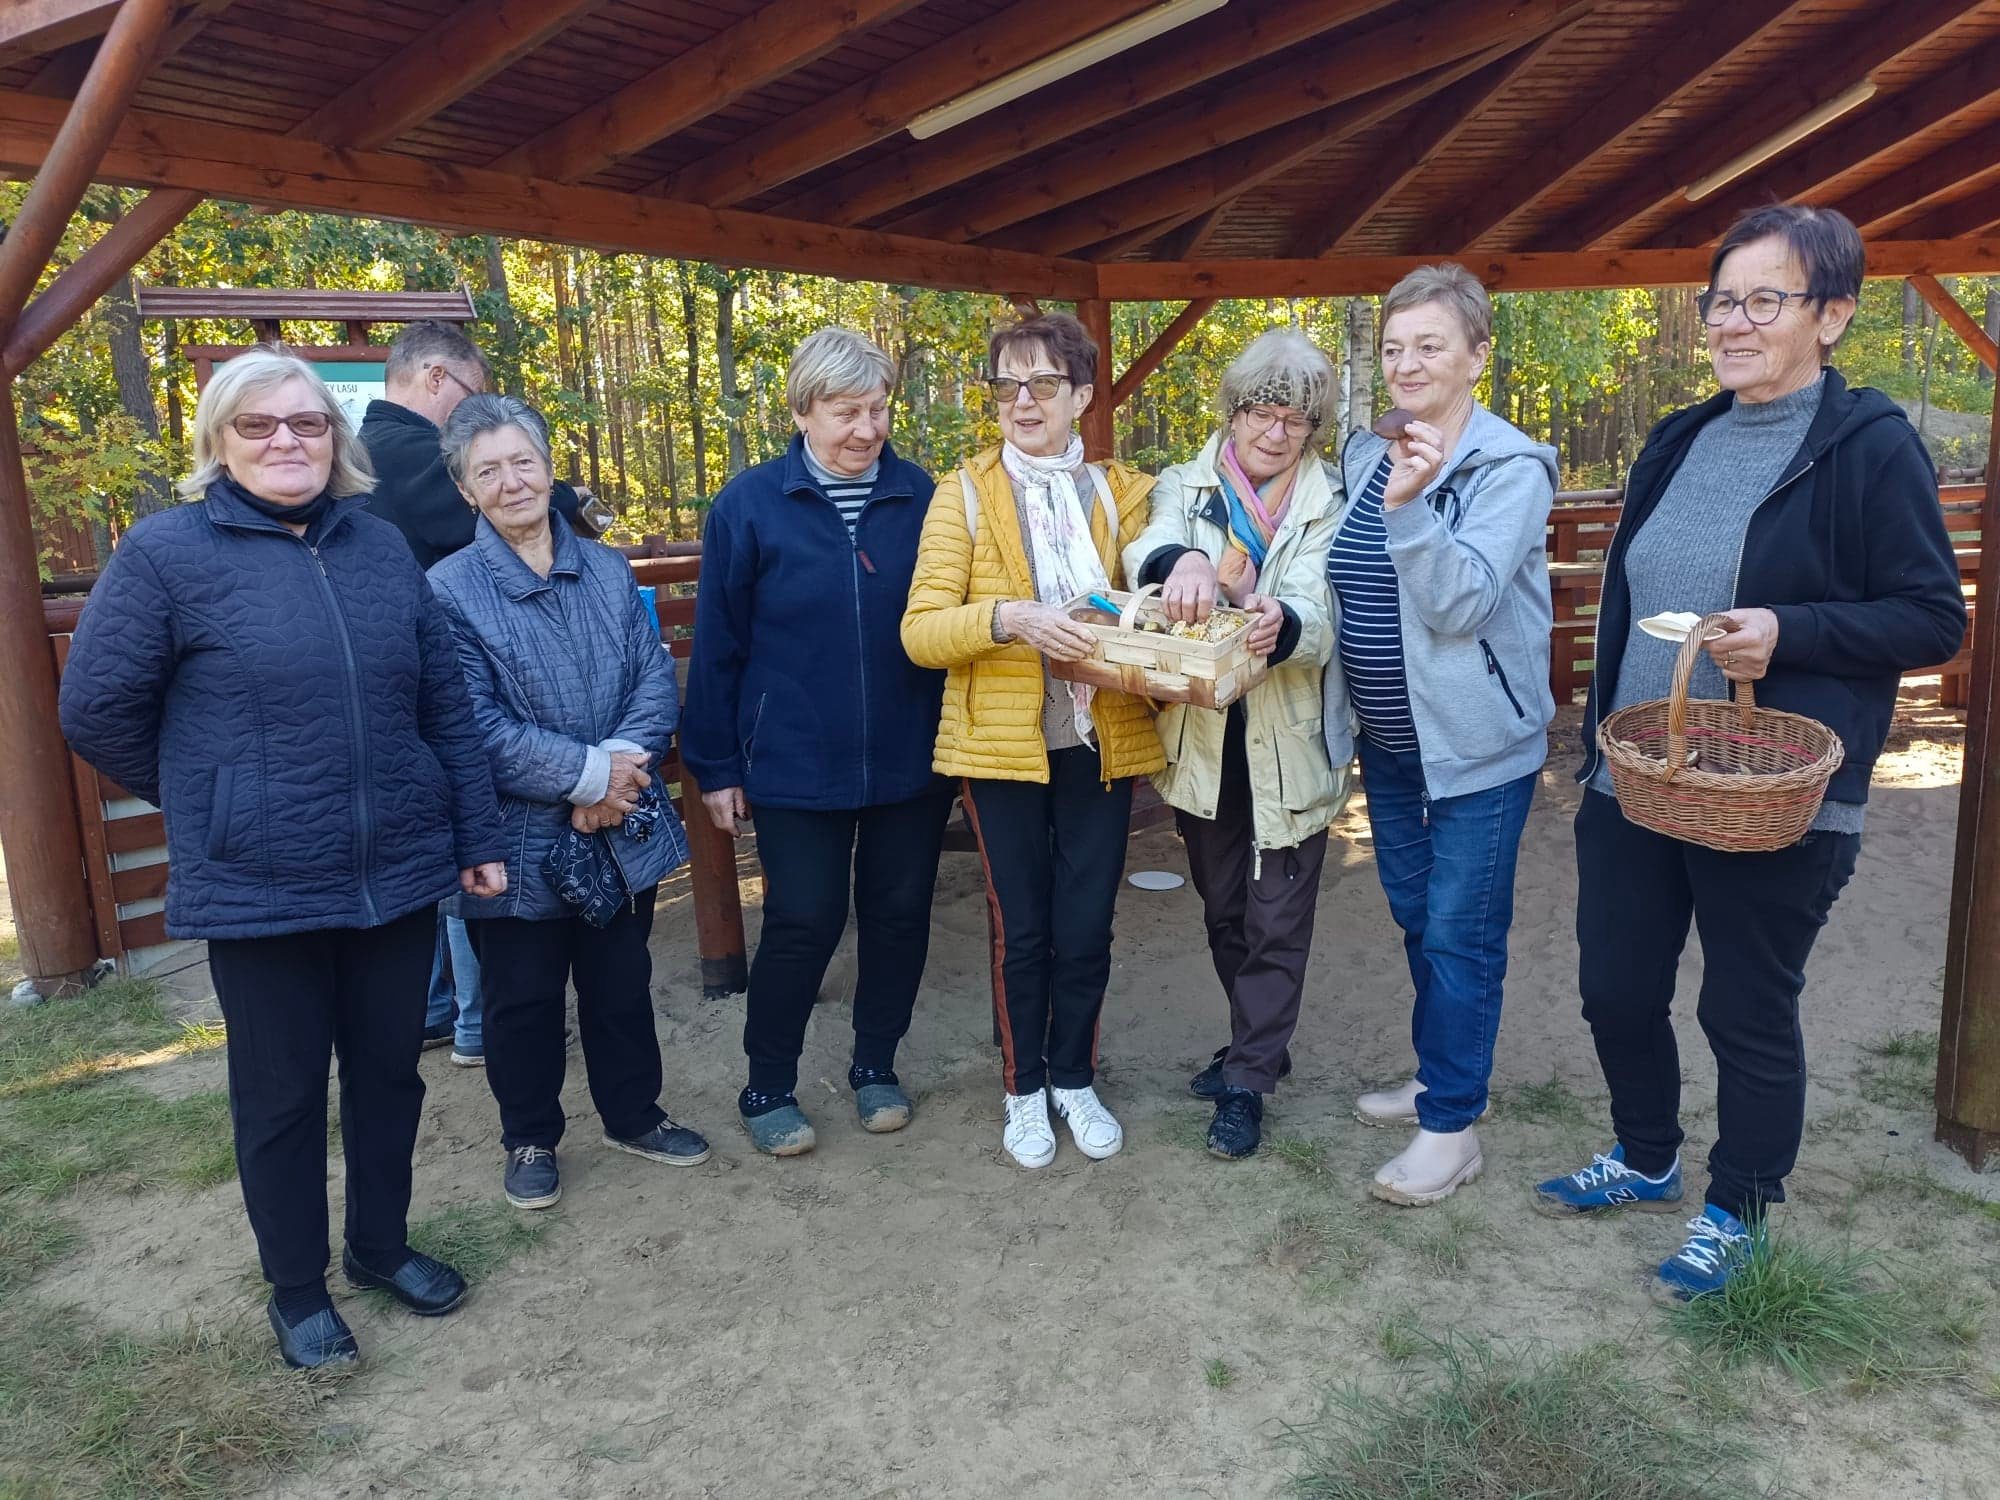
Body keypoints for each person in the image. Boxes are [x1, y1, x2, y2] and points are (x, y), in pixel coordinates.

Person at [1534, 205, 1965, 1299]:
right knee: (1614, 990)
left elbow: (1930, 616)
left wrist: (1791, 628)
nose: (1733, 321)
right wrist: (1597, 743)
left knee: (1742, 1006)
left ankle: (1737, 1206)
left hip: (1770, 792)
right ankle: (1643, 1154)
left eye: (1762, 300)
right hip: (1636, 774)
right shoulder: (1679, 434)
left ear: (1831, 315)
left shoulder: (1868, 446)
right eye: (1721, 299)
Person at [59, 348, 507, 1371]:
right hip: (261, 885)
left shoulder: (380, 548)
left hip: (396, 869)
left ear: (336, 439)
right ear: (217, 442)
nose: (286, 443)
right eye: (258, 426)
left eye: (306, 424)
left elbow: (443, 702)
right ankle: (298, 1289)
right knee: (283, 1095)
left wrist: (475, 835)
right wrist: (219, 794)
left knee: (390, 1077)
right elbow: (95, 709)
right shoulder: (168, 555)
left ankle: (381, 1246)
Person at [427, 394, 708, 1213]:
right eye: (489, 472)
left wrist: (617, 777)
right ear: (466, 491)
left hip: (622, 827)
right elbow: (471, 724)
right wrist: (589, 777)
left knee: (621, 978)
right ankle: (530, 1137)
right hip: (512, 838)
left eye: (523, 462)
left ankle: (634, 1114)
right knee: (522, 998)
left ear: (549, 470)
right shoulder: (447, 590)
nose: (511, 482)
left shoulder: (608, 567)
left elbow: (652, 678)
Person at [902, 311, 1165, 1170]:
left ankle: (1074, 1078)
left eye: (1043, 384)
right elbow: (921, 632)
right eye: (1007, 384)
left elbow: (1162, 589)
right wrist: (1006, 618)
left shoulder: (1124, 493)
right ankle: (1022, 1092)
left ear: (1081, 397)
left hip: (1103, 736)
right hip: (999, 746)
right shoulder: (965, 493)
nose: (1022, 400)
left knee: (1086, 921)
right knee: (1023, 925)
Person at [682, 328, 949, 1156]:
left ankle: (876, 1067)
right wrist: (716, 765)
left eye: (877, 409)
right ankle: (768, 1082)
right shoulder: (749, 503)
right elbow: (718, 644)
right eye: (845, 412)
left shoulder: (922, 494)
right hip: (794, 757)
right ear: (802, 411)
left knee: (900, 915)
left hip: (910, 751)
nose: (866, 429)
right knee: (804, 918)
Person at [1330, 263, 1557, 1207]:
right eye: (1393, 347)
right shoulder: (1363, 452)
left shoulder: (1512, 466)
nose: (1407, 363)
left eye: (1430, 345)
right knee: (1420, 920)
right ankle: (1441, 1076)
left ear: (1477, 355)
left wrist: (1412, 504)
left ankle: (1452, 1127)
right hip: (1388, 743)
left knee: (1462, 935)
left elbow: (1462, 603)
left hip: (1477, 751)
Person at [1122, 329, 1349, 1161]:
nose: (1277, 430)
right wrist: (1180, 560)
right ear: (1235, 408)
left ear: (1313, 427)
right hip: (1203, 741)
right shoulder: (1187, 484)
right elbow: (1138, 548)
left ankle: (1248, 1083)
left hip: (1291, 739)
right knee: (1225, 911)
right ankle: (1259, 1044)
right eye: (1263, 408)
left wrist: (1281, 619)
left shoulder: (1333, 497)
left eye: (1297, 417)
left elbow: (1326, 616)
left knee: (1277, 920)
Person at [359, 322, 594, 1068]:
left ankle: (437, 1007)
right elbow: (517, 519)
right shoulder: (412, 455)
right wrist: (571, 500)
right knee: (474, 841)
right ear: (436, 377)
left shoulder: (357, 454)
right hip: (450, 681)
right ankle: (472, 1021)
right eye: (474, 393)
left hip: (387, 686)